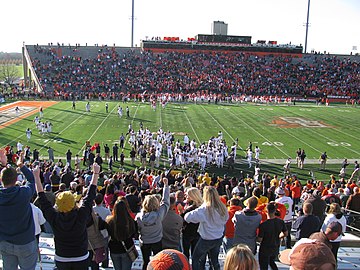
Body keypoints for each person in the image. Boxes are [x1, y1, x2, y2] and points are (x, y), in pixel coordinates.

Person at [34, 162, 100, 270]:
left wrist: (36, 177)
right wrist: (96, 173)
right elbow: (90, 195)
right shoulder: (81, 215)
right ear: (73, 203)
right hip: (81, 257)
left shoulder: (54, 217)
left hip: (62, 257)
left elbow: (42, 198)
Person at [0, 150, 38, 270]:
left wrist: (4, 166)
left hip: (4, 241)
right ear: (16, 179)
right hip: (25, 242)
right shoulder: (23, 193)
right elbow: (32, 180)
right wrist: (20, 165)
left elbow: (5, 177)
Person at [184, 186, 229, 270]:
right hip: (218, 237)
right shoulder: (222, 207)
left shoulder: (204, 209)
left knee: (196, 258)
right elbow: (226, 219)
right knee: (214, 260)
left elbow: (187, 217)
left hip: (206, 238)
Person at [135, 177, 170, 270]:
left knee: (145, 262)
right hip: (156, 240)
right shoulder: (159, 214)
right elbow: (166, 202)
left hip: (145, 241)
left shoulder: (138, 216)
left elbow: (137, 229)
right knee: (158, 262)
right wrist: (166, 185)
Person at [104, 197, 137, 270]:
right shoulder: (130, 221)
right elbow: (134, 233)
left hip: (114, 249)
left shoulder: (109, 221)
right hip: (127, 248)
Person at [257, 202, 288, 270]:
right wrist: (279, 236)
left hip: (265, 248)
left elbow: (260, 239)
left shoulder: (263, 225)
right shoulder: (280, 222)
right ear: (275, 211)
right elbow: (286, 233)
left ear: (266, 211)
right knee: (272, 262)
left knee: (263, 266)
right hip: (275, 246)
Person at [181, 187, 203, 260]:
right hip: (197, 232)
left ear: (192, 196)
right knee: (195, 255)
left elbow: (183, 218)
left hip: (188, 232)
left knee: (186, 254)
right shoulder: (201, 206)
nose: (186, 196)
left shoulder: (191, 208)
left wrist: (181, 211)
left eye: (187, 195)